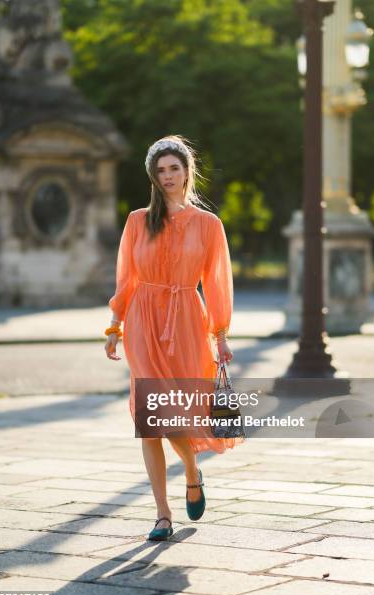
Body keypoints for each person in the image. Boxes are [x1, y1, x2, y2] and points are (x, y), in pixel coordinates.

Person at [104, 135, 243, 541]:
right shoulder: (136, 221)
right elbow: (126, 279)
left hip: (185, 321)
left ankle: (192, 471)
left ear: (187, 171)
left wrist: (221, 335)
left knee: (176, 414)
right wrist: (114, 327)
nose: (167, 177)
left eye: (174, 169)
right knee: (150, 420)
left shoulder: (208, 225)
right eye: (160, 171)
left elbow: (216, 283)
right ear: (153, 175)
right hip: (143, 321)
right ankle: (162, 515)